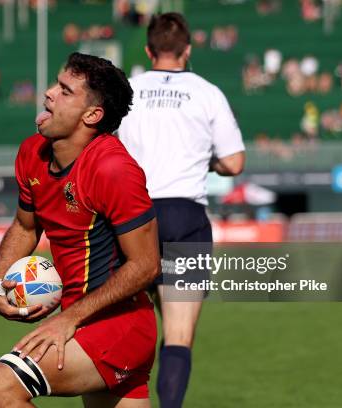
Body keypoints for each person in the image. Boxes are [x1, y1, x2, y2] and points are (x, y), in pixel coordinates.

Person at [0, 52, 161, 408]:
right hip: (84, 323)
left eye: (65, 91)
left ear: (92, 115)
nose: (49, 92)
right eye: (55, 84)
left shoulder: (113, 169)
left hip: (119, 326)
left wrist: (68, 320)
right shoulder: (32, 152)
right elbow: (24, 225)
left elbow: (146, 265)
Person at [118, 13, 245, 408]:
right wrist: (204, 161)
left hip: (133, 219)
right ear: (187, 50)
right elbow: (235, 163)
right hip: (186, 219)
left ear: (148, 50)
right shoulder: (207, 92)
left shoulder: (128, 91)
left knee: (126, 329)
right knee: (178, 335)